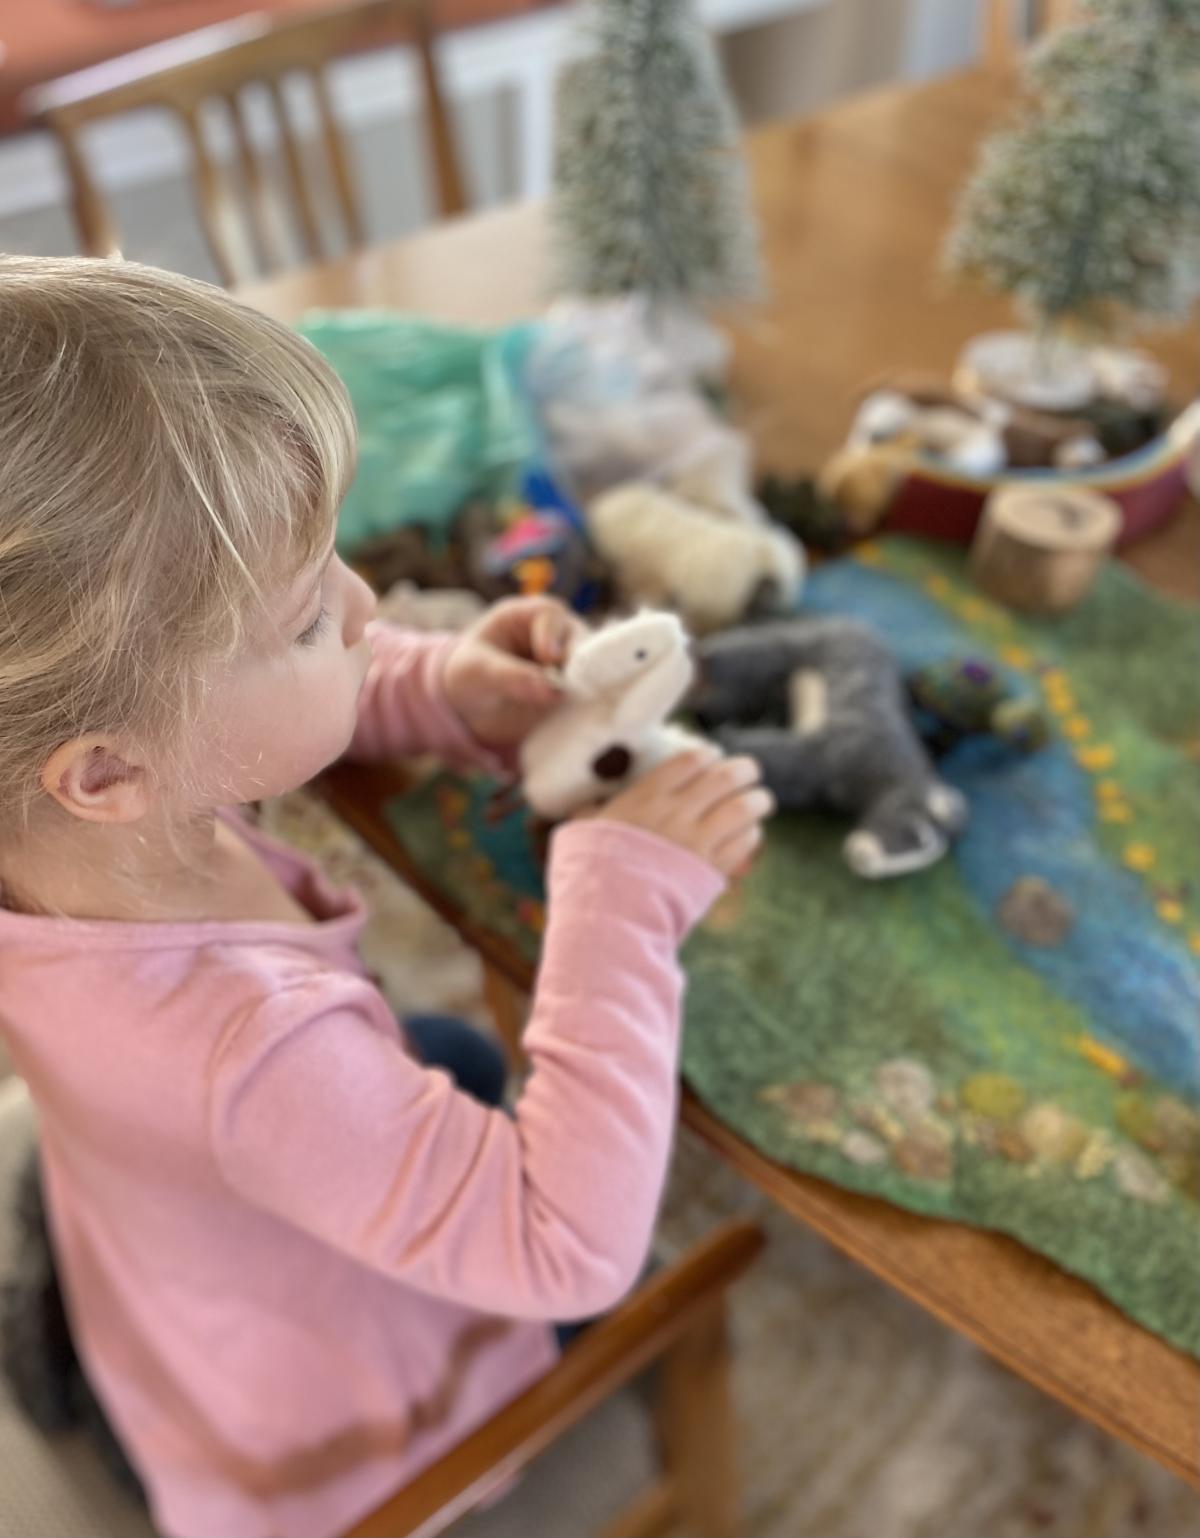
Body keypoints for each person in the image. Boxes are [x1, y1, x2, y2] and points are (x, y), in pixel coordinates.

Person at [0, 256, 772, 1538]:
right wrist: (624, 893)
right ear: (111, 770)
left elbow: (238, 725)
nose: (368, 604)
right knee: (536, 1129)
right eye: (311, 617)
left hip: (179, 1280)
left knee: (454, 1049)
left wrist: (433, 686)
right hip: (353, 1445)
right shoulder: (257, 1053)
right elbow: (564, 1245)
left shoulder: (60, 818)